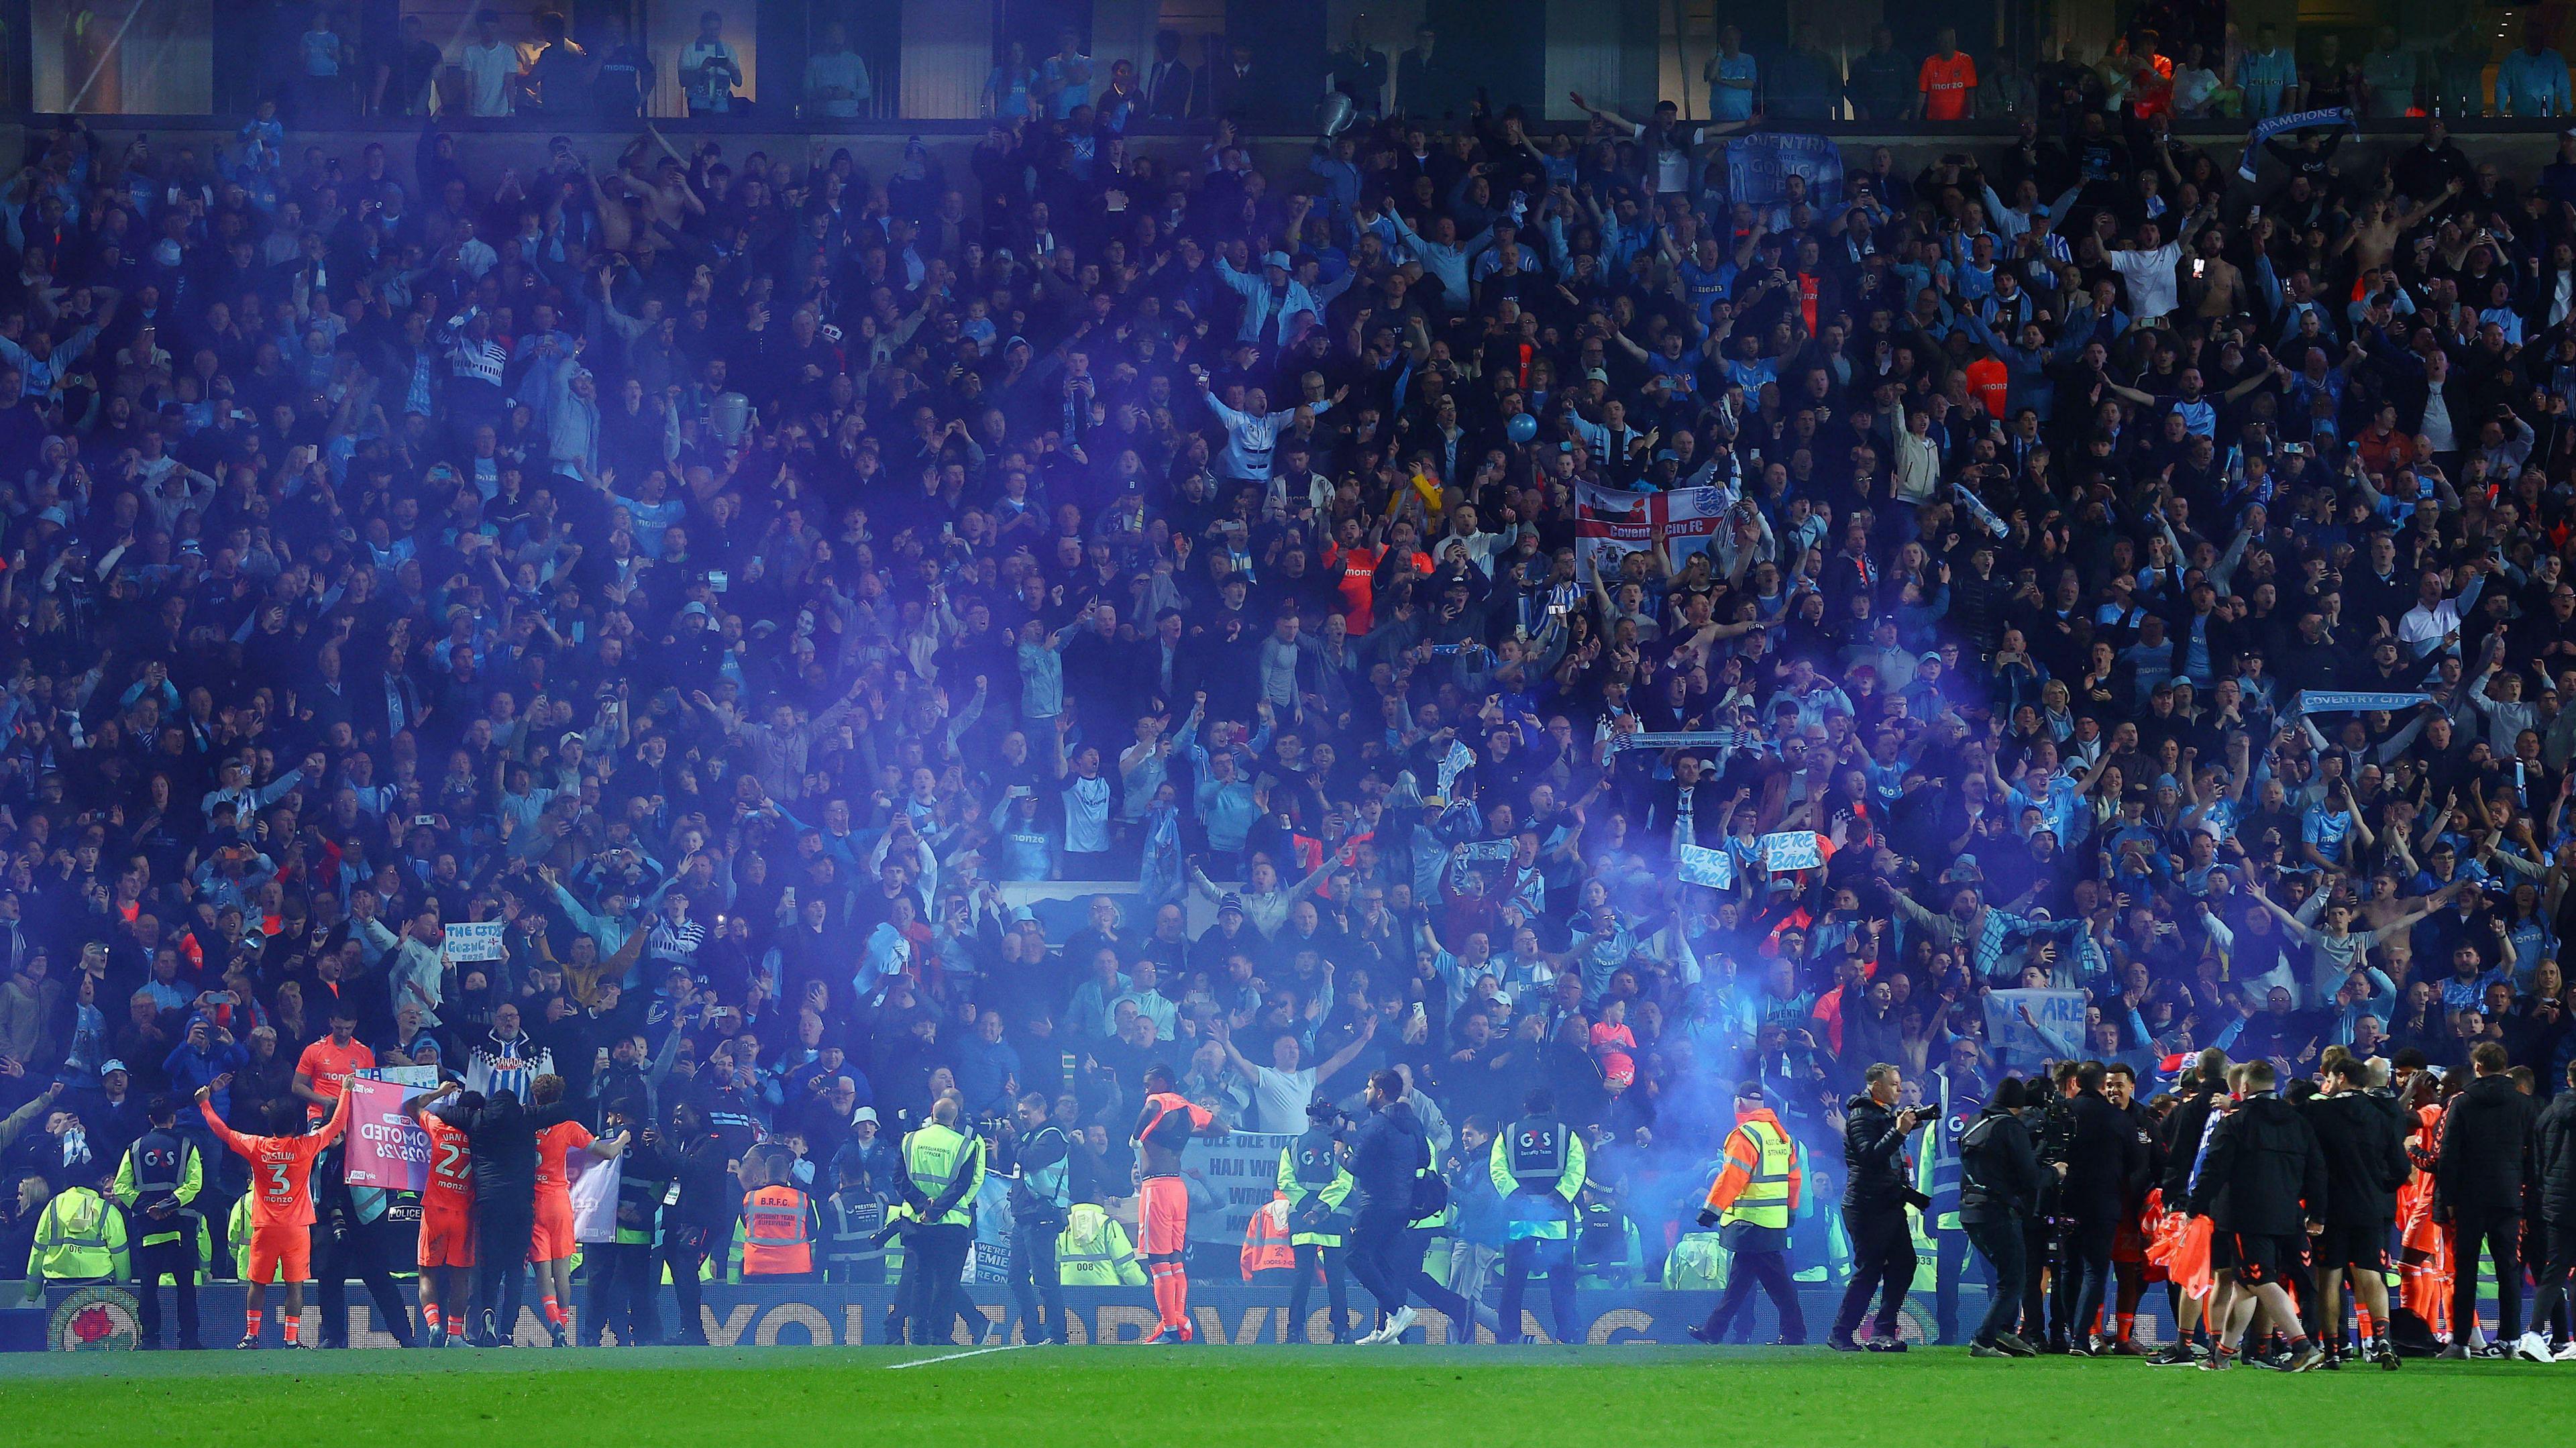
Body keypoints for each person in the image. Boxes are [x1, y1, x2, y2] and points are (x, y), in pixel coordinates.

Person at [2187, 1058, 2328, 1371]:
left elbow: (2214, 1169)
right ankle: (2222, 1355)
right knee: (2244, 1285)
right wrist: (2317, 1212)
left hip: (2246, 1217)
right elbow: (2318, 1169)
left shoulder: (2236, 1122)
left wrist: (2195, 1207)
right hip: (2290, 1215)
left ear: (2244, 1088)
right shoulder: (2297, 1120)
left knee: (2258, 1280)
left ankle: (2302, 1344)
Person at [198, 1075, 349, 1347]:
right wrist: (347, 1091)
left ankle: (251, 1335)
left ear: (271, 1125)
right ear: (295, 1125)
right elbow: (337, 1124)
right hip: (296, 1228)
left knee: (257, 1283)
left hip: (265, 1226)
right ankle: (291, 1340)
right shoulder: (306, 1146)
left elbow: (222, 1131)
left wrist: (205, 1104)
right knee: (295, 1285)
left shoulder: (257, 1146)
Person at [2434, 1040, 2539, 1357]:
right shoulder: (2523, 1104)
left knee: (2466, 1270)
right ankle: (2510, 1340)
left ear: (2478, 1066)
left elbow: (2448, 1154)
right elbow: (2533, 1156)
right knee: (2509, 1268)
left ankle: (2462, 1342)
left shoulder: (2461, 1102)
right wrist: (2527, 1195)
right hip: (2508, 1197)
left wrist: (2448, 1198)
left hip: (2469, 1197)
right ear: (2505, 1067)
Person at [2306, 1055, 2409, 1368]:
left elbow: (2313, 1163)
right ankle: (2383, 1341)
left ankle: (2334, 1350)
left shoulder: (2320, 1112)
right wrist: (2379, 1187)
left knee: (2330, 1277)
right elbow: (2401, 1167)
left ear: (2339, 1077)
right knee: (2371, 1274)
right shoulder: (2379, 1115)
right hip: (2371, 1208)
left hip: (2332, 1208)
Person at [1690, 1081, 1805, 1345]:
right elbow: (1795, 1178)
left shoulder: (1744, 1136)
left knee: (1776, 1286)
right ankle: (1713, 1331)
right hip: (1772, 1221)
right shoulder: (1781, 1136)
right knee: (1742, 1282)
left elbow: (1732, 1177)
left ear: (1738, 1103)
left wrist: (1710, 1211)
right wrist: (1792, 1212)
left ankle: (1795, 1333)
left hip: (1750, 1222)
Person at [1830, 1062, 1927, 1351]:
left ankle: (1882, 1330)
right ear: (1877, 1087)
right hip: (1867, 1206)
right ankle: (1842, 1333)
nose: (1900, 1089)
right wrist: (1899, 1132)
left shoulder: (1882, 1115)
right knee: (1870, 1269)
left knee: (1905, 1263)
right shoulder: (1861, 1116)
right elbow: (1870, 1157)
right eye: (1895, 1084)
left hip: (1888, 1203)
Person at [529, 1073, 626, 1343]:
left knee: (542, 1269)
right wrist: (623, 1140)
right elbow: (606, 1152)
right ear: (559, 1098)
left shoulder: (527, 1124)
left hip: (532, 1201)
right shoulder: (569, 1126)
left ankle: (553, 1322)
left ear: (536, 1098)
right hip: (559, 1202)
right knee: (562, 1270)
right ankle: (564, 1321)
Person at [1342, 1068, 1432, 1345]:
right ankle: (1385, 1331)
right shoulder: (1413, 1123)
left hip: (1374, 1204)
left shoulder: (1375, 1125)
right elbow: (1424, 1160)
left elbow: (1356, 1166)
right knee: (1382, 1262)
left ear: (1380, 1093)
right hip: (1402, 1205)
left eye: (1369, 1088)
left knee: (1355, 1257)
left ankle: (1397, 1310)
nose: (1366, 1093)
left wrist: (1340, 1154)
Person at [1491, 1087, 1585, 1345]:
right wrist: (1556, 1198)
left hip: (1519, 1216)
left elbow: (1498, 1171)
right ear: (1553, 1106)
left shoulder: (1507, 1135)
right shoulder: (1567, 1135)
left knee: (1514, 1279)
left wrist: (1519, 1199)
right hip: (1556, 1217)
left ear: (1525, 1106)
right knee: (1562, 1279)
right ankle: (1568, 1334)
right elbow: (1577, 1172)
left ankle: (1510, 1335)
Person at [1958, 1077, 2043, 1357]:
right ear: (2019, 1107)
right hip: (1997, 1211)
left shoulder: (1975, 1122)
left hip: (1971, 1210)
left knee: (2005, 1275)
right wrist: (2056, 1173)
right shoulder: (2010, 1127)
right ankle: (1984, 1340)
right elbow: (2030, 1177)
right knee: (2013, 1279)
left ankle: (2002, 1332)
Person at [111, 1094, 203, 1349]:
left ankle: (150, 1340)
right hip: (180, 1227)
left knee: (149, 1286)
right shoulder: (188, 1145)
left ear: (150, 1119)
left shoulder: (135, 1148)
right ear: (173, 1119)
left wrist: (148, 1208)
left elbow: (121, 1187)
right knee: (185, 1287)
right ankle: (188, 1340)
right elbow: (194, 1184)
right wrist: (169, 1204)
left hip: (147, 1227)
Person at [894, 1092, 987, 1344]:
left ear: (932, 1113)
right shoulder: (965, 1145)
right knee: (946, 1284)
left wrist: (921, 1205)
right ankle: (940, 1335)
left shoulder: (910, 1140)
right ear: (956, 1117)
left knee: (920, 1280)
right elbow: (963, 1186)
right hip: (951, 1225)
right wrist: (935, 1210)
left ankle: (918, 1334)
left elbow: (899, 1179)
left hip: (915, 1222)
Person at [1132, 1064, 1214, 1342]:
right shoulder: (1189, 1109)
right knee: (1175, 1259)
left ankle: (1169, 1327)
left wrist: (1134, 1137)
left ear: (1164, 1081)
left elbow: (1151, 1108)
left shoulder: (1160, 1100)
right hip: (1179, 1189)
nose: (1146, 1090)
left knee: (1158, 1261)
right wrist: (1190, 1134)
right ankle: (1177, 1321)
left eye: (1149, 1083)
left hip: (1157, 1188)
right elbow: (1222, 1128)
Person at [1279, 1096, 1356, 1343]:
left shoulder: (1293, 1145)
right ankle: (1342, 1331)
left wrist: (1306, 1207)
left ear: (1311, 1119)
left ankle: (1294, 1331)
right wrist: (1322, 1208)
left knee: (1302, 1277)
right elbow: (1345, 1182)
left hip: (1302, 1221)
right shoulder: (1342, 1147)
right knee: (1336, 1278)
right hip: (1335, 1220)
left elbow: (1285, 1181)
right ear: (1333, 1121)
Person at [403, 1080, 475, 1347]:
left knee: (427, 1272)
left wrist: (440, 1093)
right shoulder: (478, 1137)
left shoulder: (438, 1127)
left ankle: (434, 1324)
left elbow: (412, 1106)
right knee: (460, 1277)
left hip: (435, 1209)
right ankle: (454, 1335)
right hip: (464, 1214)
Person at [1004, 1089, 1073, 1345]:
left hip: (1042, 1215)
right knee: (1015, 1277)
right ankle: (1031, 1334)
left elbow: (1029, 1160)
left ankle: (1058, 1336)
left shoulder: (1052, 1136)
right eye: (1020, 1114)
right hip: (1025, 1216)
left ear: (1041, 1111)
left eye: (1026, 1113)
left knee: (1044, 1279)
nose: (1023, 1118)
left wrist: (1012, 1137)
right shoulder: (1030, 1136)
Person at [730, 1141, 823, 1281]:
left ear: (765, 1174)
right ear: (789, 1175)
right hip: (796, 1274)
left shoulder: (750, 1199)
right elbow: (814, 1238)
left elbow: (737, 1245)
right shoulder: (803, 1200)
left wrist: (733, 1284)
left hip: (757, 1274)